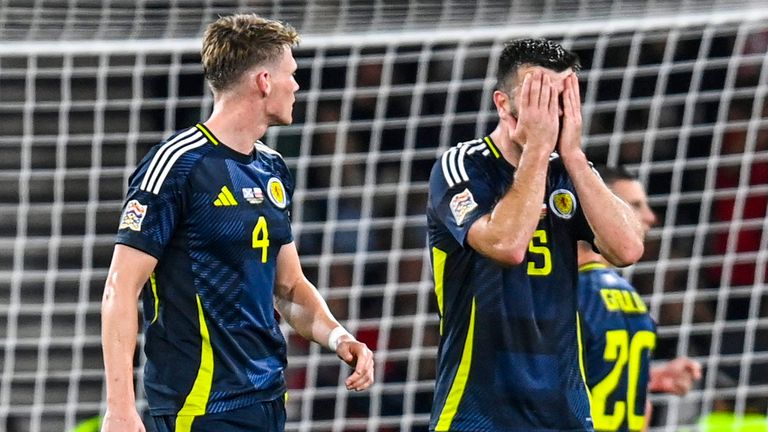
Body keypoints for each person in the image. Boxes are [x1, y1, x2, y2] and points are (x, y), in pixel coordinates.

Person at [100, 14, 374, 432]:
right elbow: (121, 287)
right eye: (292, 75)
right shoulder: (177, 165)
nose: (297, 86)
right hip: (200, 405)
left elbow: (289, 285)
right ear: (264, 81)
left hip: (267, 399)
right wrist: (120, 407)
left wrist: (340, 337)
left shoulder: (273, 168)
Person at [426, 38, 645, 431]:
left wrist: (575, 158)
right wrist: (538, 153)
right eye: (538, 98)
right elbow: (506, 245)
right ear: (503, 103)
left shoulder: (568, 171)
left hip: (565, 411)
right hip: (477, 410)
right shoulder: (461, 167)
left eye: (561, 99)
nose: (552, 113)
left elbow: (627, 248)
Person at [578, 166, 702, 432]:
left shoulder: (562, 292)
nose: (649, 217)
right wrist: (646, 381)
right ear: (596, 209)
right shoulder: (628, 297)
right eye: (634, 206)